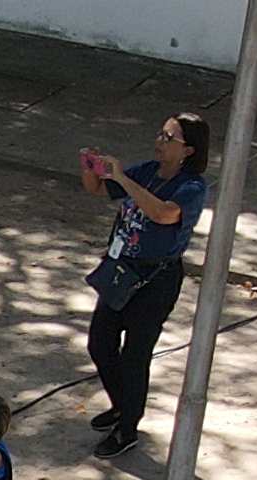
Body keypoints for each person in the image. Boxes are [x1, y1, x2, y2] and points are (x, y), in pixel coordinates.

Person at [80, 111, 209, 459]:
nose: (160, 141)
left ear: (188, 151)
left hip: (156, 278)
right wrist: (91, 167)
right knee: (100, 342)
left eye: (170, 138)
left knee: (135, 355)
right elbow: (97, 188)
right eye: (161, 134)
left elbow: (163, 214)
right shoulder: (146, 171)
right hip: (121, 269)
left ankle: (127, 429)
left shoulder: (192, 187)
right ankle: (122, 404)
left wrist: (123, 178)